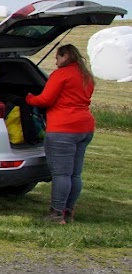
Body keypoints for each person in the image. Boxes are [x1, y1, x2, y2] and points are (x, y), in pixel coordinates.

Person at [25, 43, 96, 224]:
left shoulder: (61, 74)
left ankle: (56, 213)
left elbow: (45, 99)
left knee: (61, 174)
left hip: (63, 128)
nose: (55, 62)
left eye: (57, 57)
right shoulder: (86, 76)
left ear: (65, 56)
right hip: (85, 127)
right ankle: (68, 211)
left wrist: (28, 98)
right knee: (74, 174)